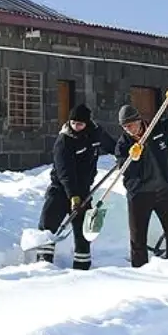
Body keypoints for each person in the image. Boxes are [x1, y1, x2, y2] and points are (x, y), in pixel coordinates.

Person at [36, 103, 115, 270]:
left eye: (80, 124)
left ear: (87, 123)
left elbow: (113, 146)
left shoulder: (95, 133)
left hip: (84, 191)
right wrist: (73, 196)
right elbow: (65, 173)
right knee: (47, 228)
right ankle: (43, 267)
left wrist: (126, 153)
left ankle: (82, 270)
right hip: (60, 190)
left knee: (84, 234)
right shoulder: (63, 140)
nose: (76, 127)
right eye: (73, 123)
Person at [115, 86, 168, 268]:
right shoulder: (124, 144)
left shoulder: (157, 128)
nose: (129, 130)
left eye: (131, 125)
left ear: (139, 121)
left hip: (163, 189)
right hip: (139, 194)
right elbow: (125, 170)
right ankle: (139, 271)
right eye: (125, 127)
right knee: (138, 238)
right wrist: (134, 159)